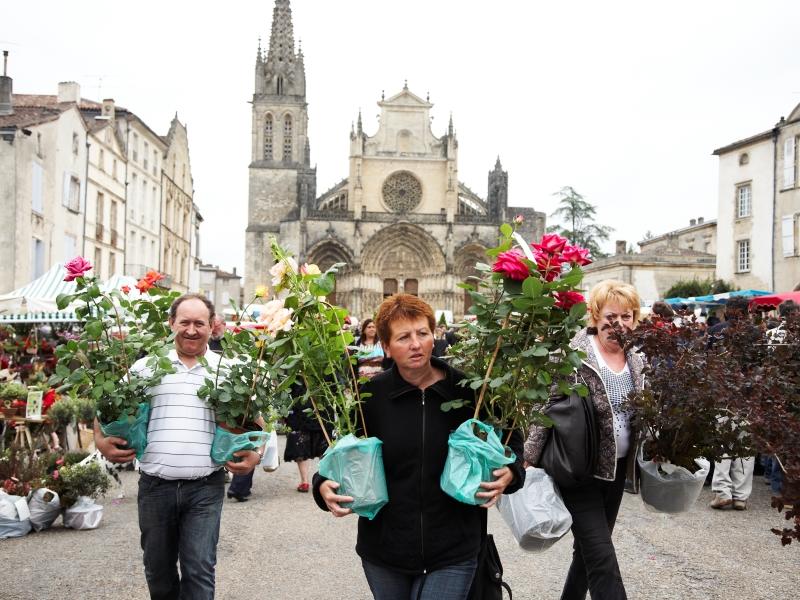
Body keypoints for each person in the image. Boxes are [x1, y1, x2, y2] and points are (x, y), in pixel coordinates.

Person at [313, 294, 525, 600]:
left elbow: (511, 438)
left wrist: (511, 471)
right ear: (385, 346)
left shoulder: (469, 392)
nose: (416, 344)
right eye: (403, 337)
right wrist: (322, 486)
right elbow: (335, 451)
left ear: (434, 336)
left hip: (455, 547)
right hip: (385, 550)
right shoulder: (368, 398)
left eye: (422, 333)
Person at [94, 294, 262, 600]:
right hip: (155, 487)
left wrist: (255, 454)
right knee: (158, 571)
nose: (191, 330)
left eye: (200, 323)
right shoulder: (146, 367)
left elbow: (258, 423)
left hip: (205, 487)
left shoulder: (229, 369)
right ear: (171, 324)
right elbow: (105, 408)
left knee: (199, 569)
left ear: (213, 327)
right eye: (184, 322)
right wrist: (100, 441)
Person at [525, 279, 645, 600]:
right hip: (579, 468)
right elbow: (546, 404)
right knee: (602, 556)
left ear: (634, 318)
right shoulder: (573, 354)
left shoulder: (637, 357)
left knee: (590, 550)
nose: (617, 324)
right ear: (594, 316)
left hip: (617, 471)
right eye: (610, 316)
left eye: (626, 317)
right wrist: (529, 456)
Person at [706, 296, 757, 511]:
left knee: (722, 442)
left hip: (723, 391)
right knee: (745, 445)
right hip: (749, 393)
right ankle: (740, 496)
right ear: (746, 311)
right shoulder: (756, 333)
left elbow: (706, 362)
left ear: (729, 310)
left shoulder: (716, 331)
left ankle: (723, 491)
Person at [284, 383, 330, 493]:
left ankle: (306, 481)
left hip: (305, 413)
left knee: (311, 448)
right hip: (317, 412)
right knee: (322, 449)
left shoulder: (294, 372)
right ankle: (323, 480)